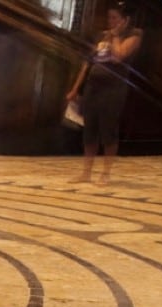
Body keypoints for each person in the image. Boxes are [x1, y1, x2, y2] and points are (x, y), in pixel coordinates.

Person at [66, 2, 142, 184]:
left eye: (115, 18)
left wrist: (115, 36)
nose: (111, 21)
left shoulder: (134, 34)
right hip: (93, 87)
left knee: (108, 130)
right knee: (90, 129)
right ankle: (86, 172)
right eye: (109, 17)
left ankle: (106, 173)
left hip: (113, 88)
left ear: (126, 20)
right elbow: (87, 63)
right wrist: (75, 89)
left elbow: (118, 57)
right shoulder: (101, 36)